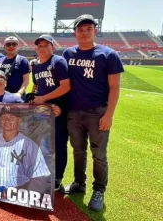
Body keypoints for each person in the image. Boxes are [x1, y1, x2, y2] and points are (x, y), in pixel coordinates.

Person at [62, 14, 124, 212]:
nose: (84, 32)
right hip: (74, 111)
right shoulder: (68, 54)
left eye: (88, 29)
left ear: (95, 30)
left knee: (99, 154)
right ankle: (79, 183)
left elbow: (115, 87)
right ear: (75, 33)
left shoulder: (108, 54)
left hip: (98, 112)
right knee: (78, 151)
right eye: (80, 29)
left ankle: (99, 190)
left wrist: (109, 115)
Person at [30, 34, 71, 192]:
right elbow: (37, 87)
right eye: (39, 46)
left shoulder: (58, 61)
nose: (42, 48)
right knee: (42, 143)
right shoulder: (36, 66)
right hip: (42, 111)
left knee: (59, 144)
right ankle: (43, 172)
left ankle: (57, 177)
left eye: (46, 45)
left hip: (58, 110)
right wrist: (33, 98)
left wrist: (44, 99)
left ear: (53, 47)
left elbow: (66, 86)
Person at [0, 106, 51, 189]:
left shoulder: (30, 145)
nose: (7, 120)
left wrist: (20, 192)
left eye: (12, 118)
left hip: (15, 194)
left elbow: (40, 176)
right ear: (0, 120)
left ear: (19, 121)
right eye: (4, 117)